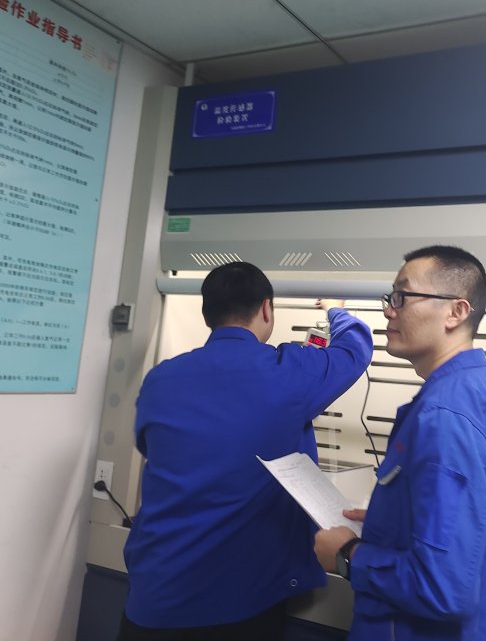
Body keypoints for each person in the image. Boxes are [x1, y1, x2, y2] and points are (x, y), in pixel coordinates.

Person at [119, 261, 373, 640]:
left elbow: (150, 446)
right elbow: (355, 349)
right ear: (266, 308)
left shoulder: (160, 378)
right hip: (236, 603)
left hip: (153, 594)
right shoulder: (288, 371)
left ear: (207, 314)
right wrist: (336, 310)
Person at [314, 245, 486, 641]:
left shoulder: (444, 416)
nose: (389, 310)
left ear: (456, 312)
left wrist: (348, 554)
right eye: (390, 297)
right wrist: (391, 520)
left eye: (403, 296)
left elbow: (441, 587)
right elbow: (481, 531)